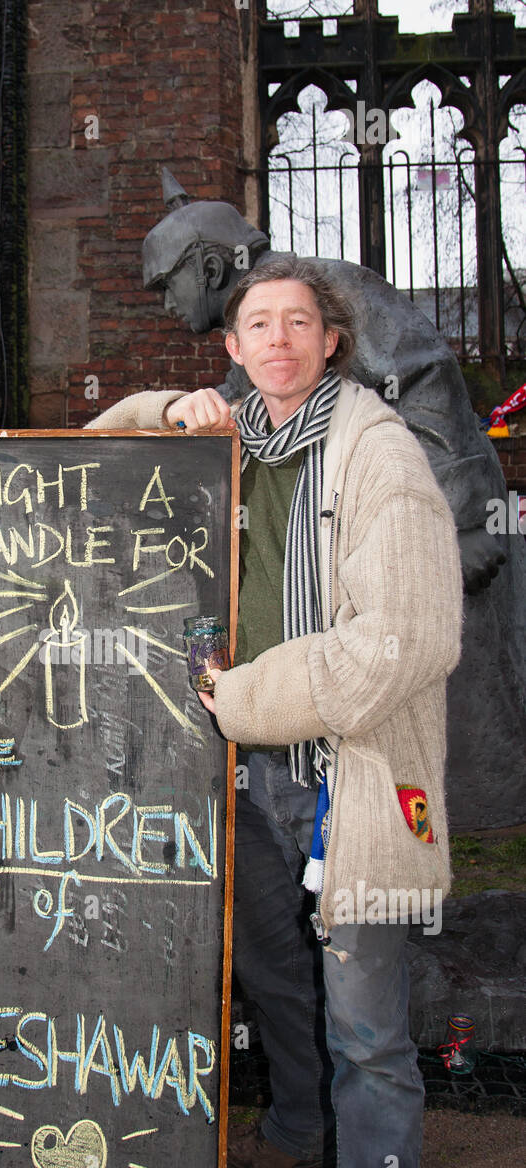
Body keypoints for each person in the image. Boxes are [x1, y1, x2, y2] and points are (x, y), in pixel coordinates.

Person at [89, 253, 463, 1168]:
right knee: (274, 976)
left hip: (348, 780)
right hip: (239, 780)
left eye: (300, 323)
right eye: (259, 325)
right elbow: (80, 458)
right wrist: (174, 410)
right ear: (232, 346)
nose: (280, 341)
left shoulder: (376, 454)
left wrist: (244, 698)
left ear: (331, 340)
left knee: (369, 1037)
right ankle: (297, 1132)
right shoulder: (227, 436)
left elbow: (409, 637)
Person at [140, 171, 526, 830]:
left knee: (450, 743)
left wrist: (454, 522)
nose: (164, 304)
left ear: (206, 265)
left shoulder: (327, 290)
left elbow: (423, 376)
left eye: (166, 284)